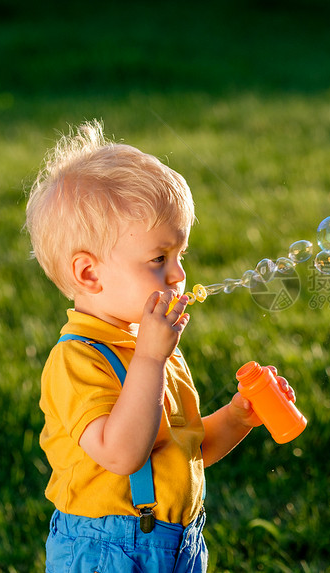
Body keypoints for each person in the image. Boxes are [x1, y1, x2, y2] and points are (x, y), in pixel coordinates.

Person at [25, 120, 294, 572]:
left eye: (180, 256)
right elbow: (122, 453)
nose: (177, 276)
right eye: (158, 259)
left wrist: (236, 417)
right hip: (105, 551)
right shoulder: (77, 360)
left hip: (178, 544)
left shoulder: (152, 349)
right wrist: (150, 358)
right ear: (89, 274)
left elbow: (182, 451)